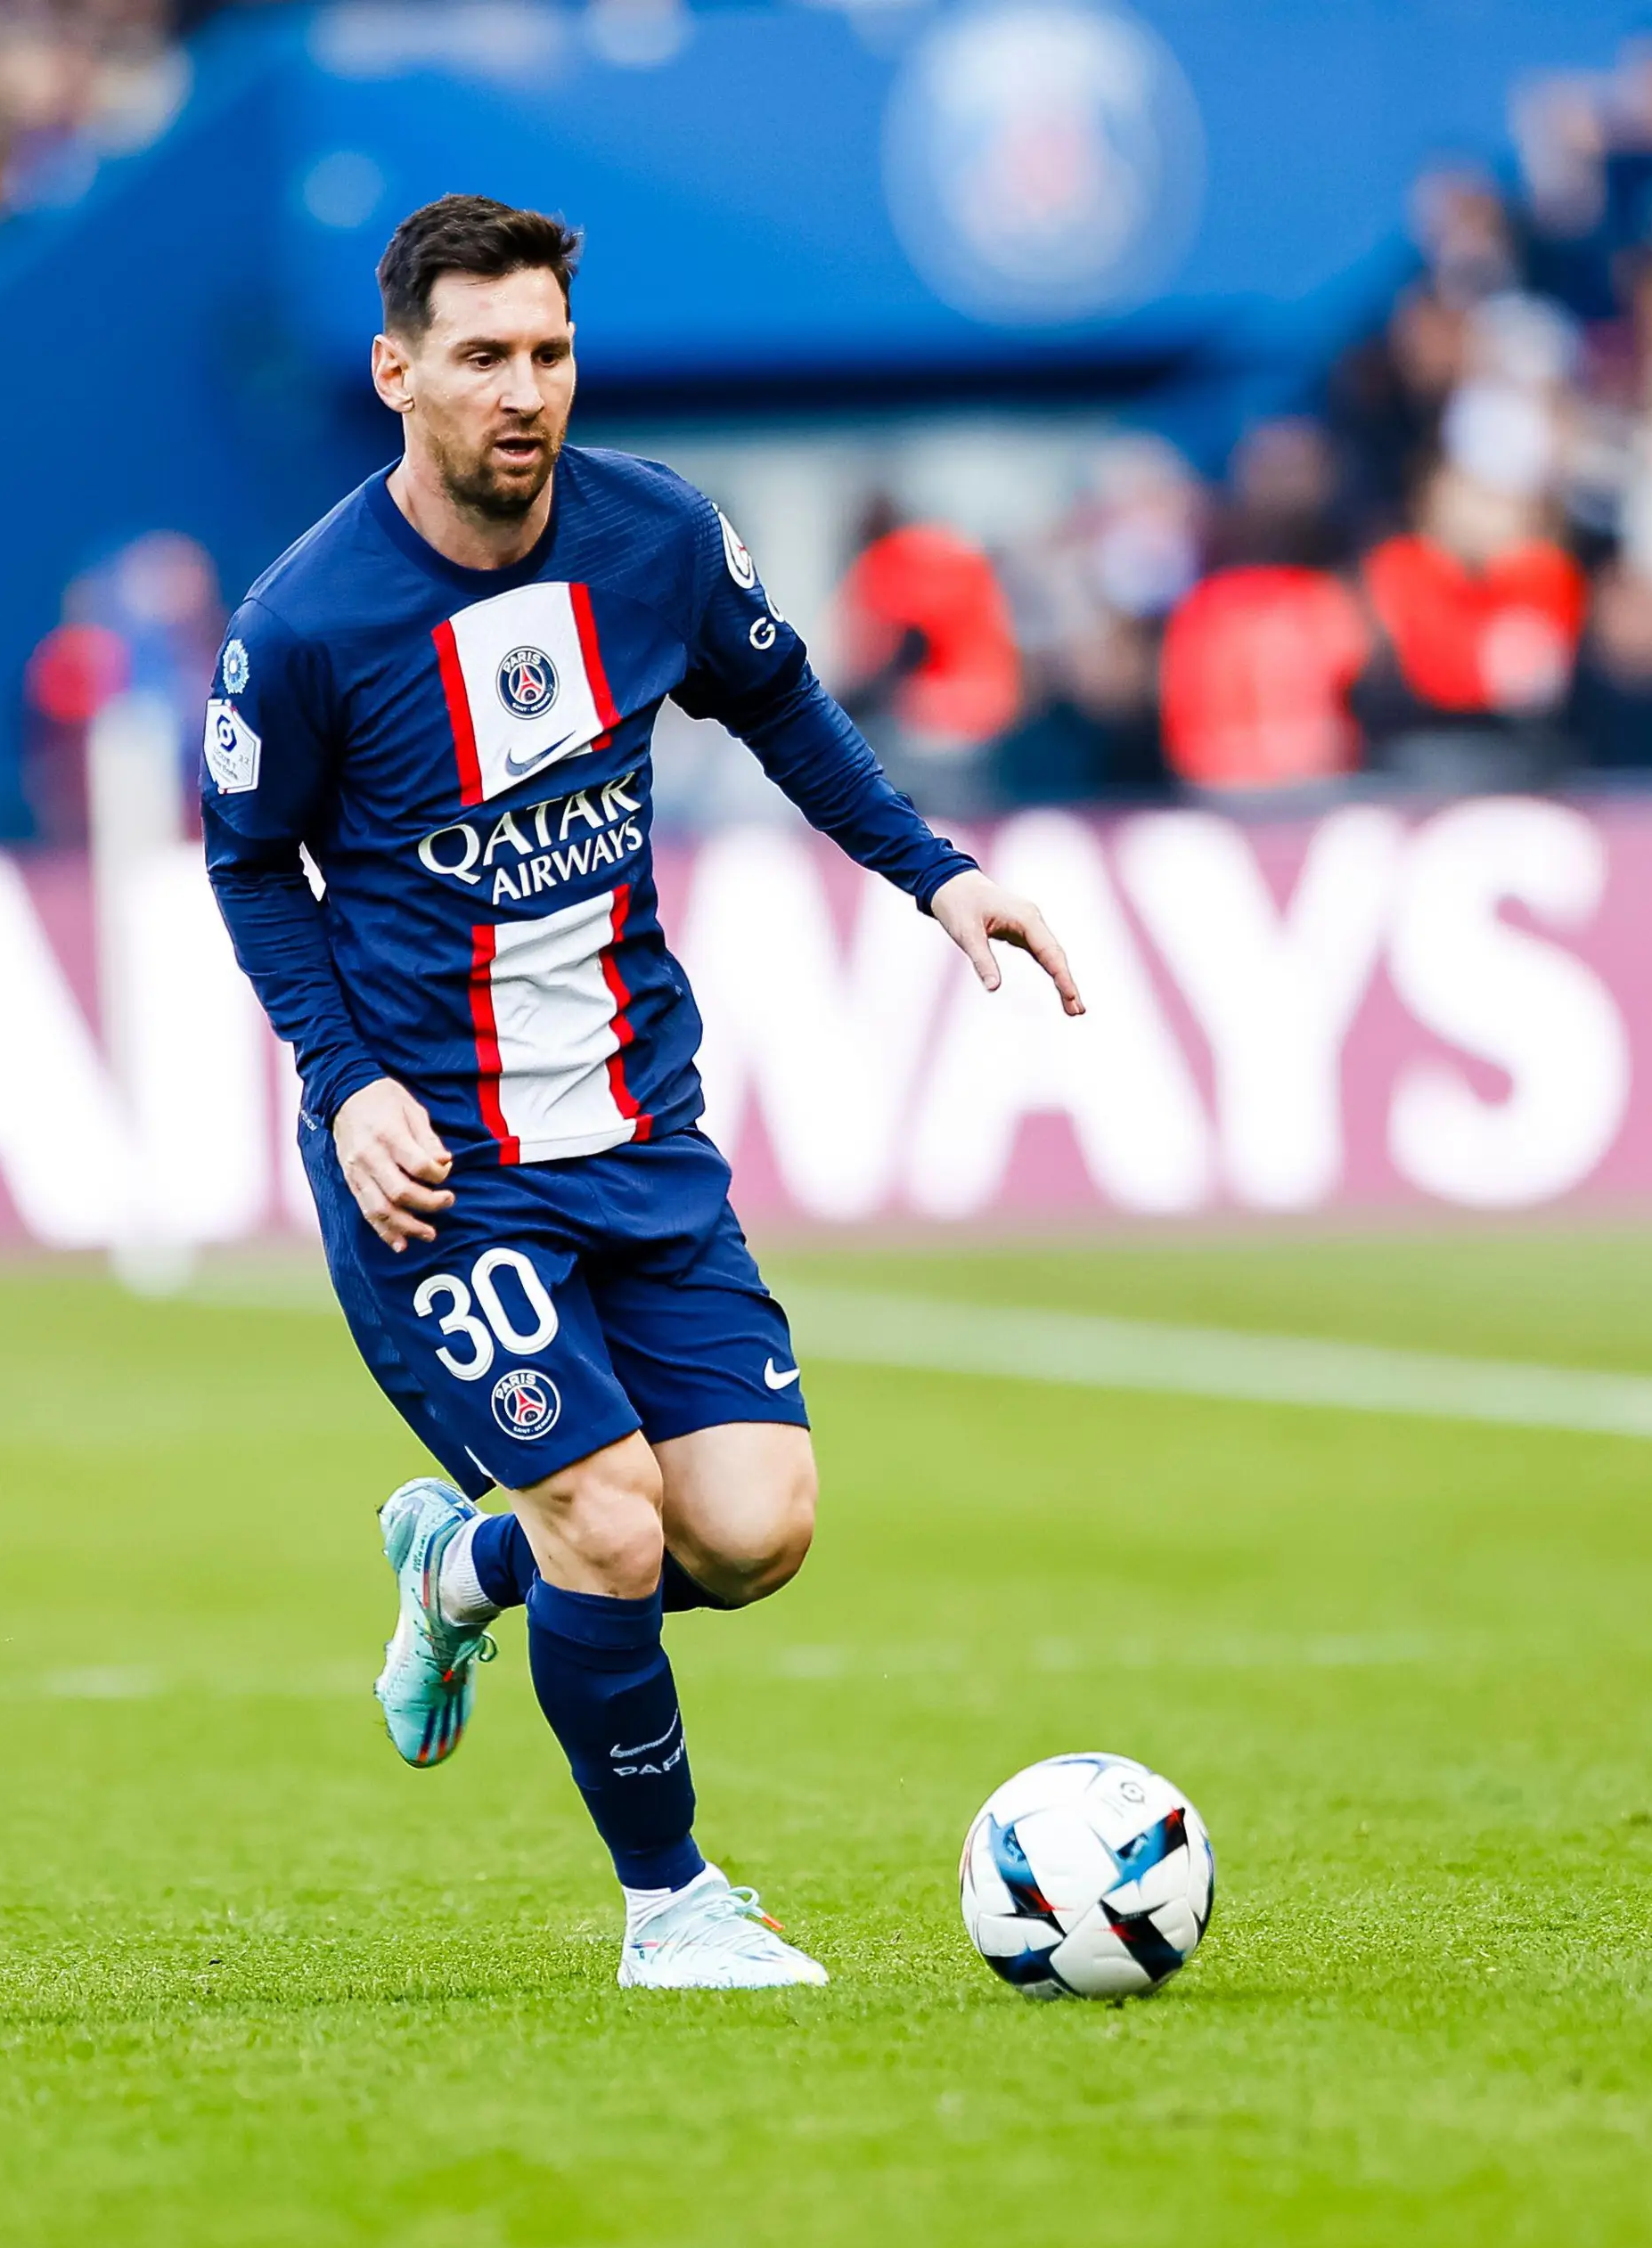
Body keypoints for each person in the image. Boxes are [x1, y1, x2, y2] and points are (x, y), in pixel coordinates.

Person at [201, 197, 1082, 1991]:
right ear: (398, 374)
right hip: (444, 1172)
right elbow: (246, 863)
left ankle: (467, 1564)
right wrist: (345, 1077)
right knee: (608, 1507)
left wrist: (935, 872)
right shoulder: (306, 623)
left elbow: (784, 708)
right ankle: (672, 1904)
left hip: (639, 1135)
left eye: (549, 353)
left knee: (752, 1531)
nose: (525, 391)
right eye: (482, 358)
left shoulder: (657, 537)